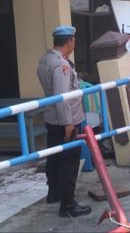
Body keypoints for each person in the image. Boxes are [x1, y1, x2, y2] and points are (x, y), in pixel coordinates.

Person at [37, 25, 92, 218]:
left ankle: (54, 192)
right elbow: (62, 96)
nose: (74, 43)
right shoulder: (62, 65)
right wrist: (68, 123)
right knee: (69, 160)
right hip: (65, 120)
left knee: (54, 156)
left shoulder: (46, 59)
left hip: (52, 119)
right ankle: (68, 204)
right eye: (74, 40)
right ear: (69, 41)